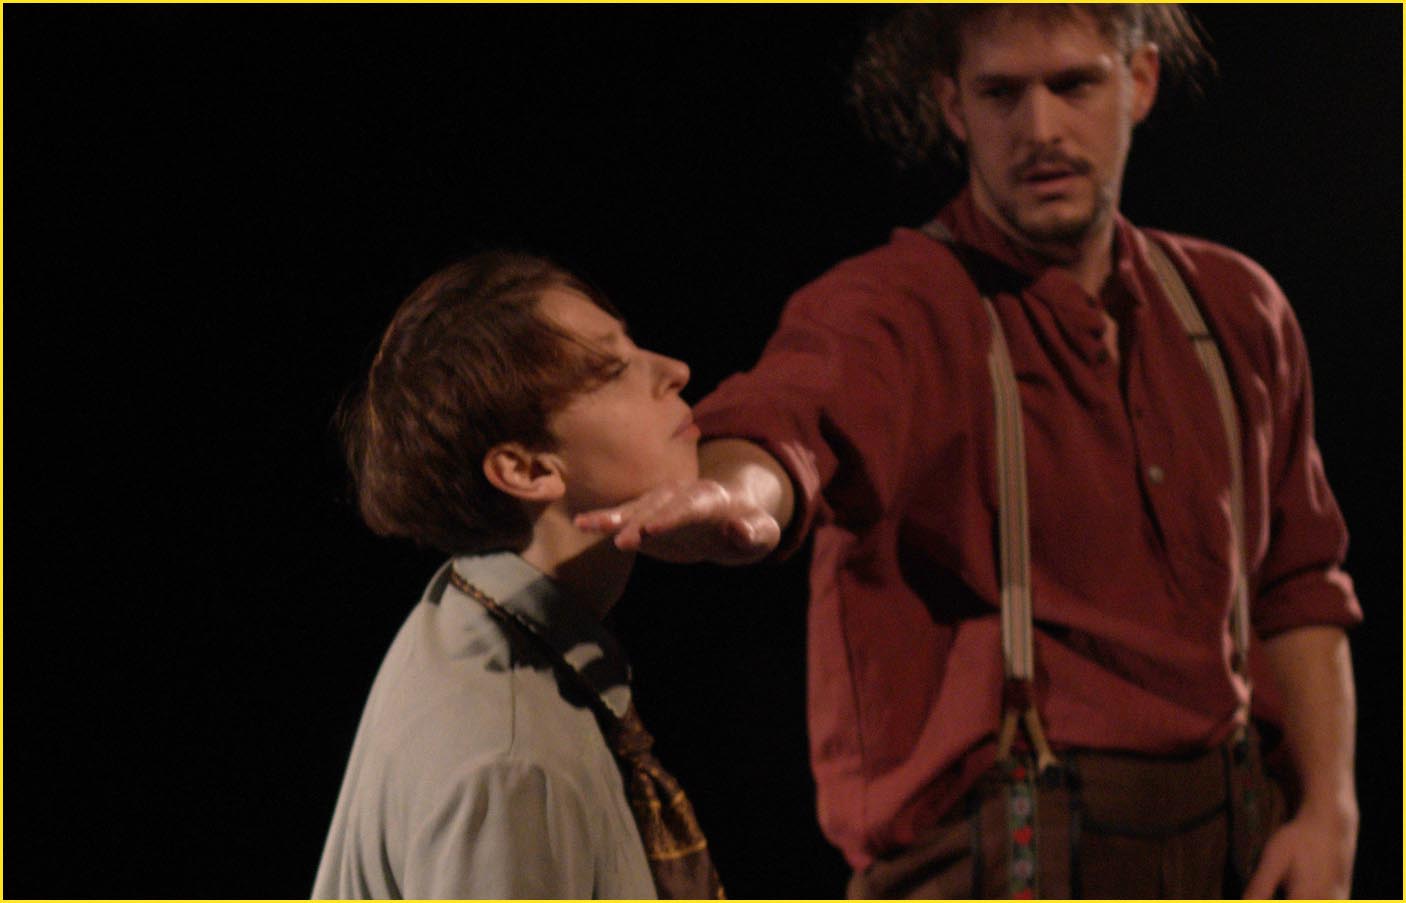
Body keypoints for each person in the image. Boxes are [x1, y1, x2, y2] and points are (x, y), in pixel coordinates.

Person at [576, 5, 1360, 899]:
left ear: (1139, 81)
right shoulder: (900, 304)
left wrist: (1328, 803)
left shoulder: (1235, 310)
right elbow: (793, 412)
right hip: (997, 861)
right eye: (1001, 94)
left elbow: (1298, 580)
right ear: (953, 105)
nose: (1041, 128)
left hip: (1231, 844)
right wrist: (739, 488)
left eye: (1073, 84)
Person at [314, 252, 723, 899]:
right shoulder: (512, 766)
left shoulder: (463, 604)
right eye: (614, 370)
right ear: (527, 470)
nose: (675, 370)